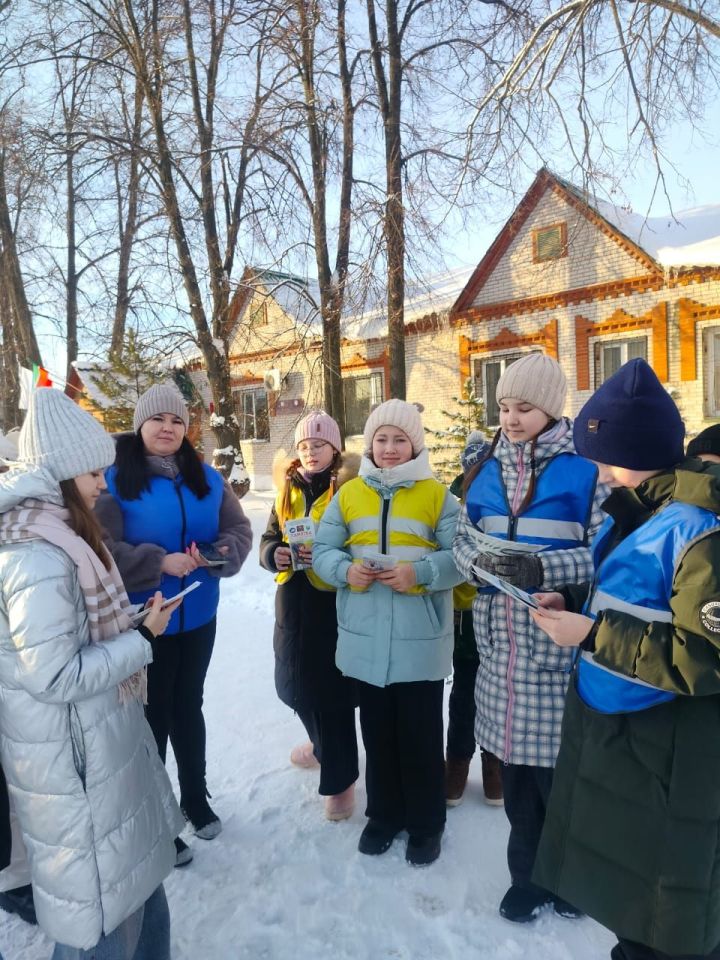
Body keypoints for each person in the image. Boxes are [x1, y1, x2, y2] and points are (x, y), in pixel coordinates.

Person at [531, 358, 720, 960]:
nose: (602, 474)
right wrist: (577, 603)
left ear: (641, 452)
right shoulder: (643, 513)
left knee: (669, 917)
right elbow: (639, 602)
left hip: (670, 750)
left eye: (609, 458)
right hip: (625, 741)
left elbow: (704, 656)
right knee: (634, 905)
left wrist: (590, 635)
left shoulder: (699, 532)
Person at [0, 387, 184, 958]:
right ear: (61, 476)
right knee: (101, 913)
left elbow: (77, 632)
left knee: (136, 884)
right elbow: (53, 676)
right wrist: (143, 638)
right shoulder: (37, 553)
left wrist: (131, 619)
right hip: (73, 762)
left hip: (97, 745)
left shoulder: (59, 537)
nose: (103, 484)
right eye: (93, 474)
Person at [452, 351, 607, 923]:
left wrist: (544, 570)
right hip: (499, 652)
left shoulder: (585, 471)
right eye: (503, 407)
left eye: (523, 408)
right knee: (517, 781)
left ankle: (570, 879)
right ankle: (530, 877)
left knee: (560, 782)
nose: (510, 419)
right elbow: (461, 538)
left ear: (551, 410)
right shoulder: (485, 468)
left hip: (555, 650)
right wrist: (481, 564)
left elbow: (603, 551)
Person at [96, 383, 252, 860]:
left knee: (190, 706)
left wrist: (218, 553)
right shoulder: (112, 480)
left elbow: (240, 531)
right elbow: (100, 550)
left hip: (199, 614)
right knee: (152, 717)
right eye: (158, 420)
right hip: (146, 621)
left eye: (177, 421)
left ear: (187, 428)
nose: (168, 428)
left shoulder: (207, 477)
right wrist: (157, 563)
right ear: (141, 425)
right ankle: (158, 818)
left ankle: (195, 799)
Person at [313, 399, 462, 866]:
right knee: (376, 734)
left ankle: (426, 824)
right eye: (382, 439)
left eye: (400, 439)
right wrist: (345, 571)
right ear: (369, 444)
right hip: (364, 640)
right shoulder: (349, 494)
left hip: (420, 642)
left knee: (419, 736)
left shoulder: (438, 496)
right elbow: (323, 549)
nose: (391, 448)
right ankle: (383, 817)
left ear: (415, 444)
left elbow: (462, 557)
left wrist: (420, 572)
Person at [259, 411, 359, 821]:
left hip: (332, 604)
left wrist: (332, 557)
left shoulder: (351, 489)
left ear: (334, 448)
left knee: (331, 695)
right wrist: (274, 553)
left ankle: (341, 781)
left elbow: (362, 542)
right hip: (293, 599)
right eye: (303, 447)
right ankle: (320, 748)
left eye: (318, 445)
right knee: (294, 684)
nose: (310, 453)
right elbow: (269, 537)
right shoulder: (288, 489)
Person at [445, 434, 503, 808]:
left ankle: (496, 768)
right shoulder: (456, 514)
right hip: (465, 624)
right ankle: (457, 764)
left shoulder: (508, 510)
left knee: (497, 696)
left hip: (502, 621)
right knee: (464, 696)